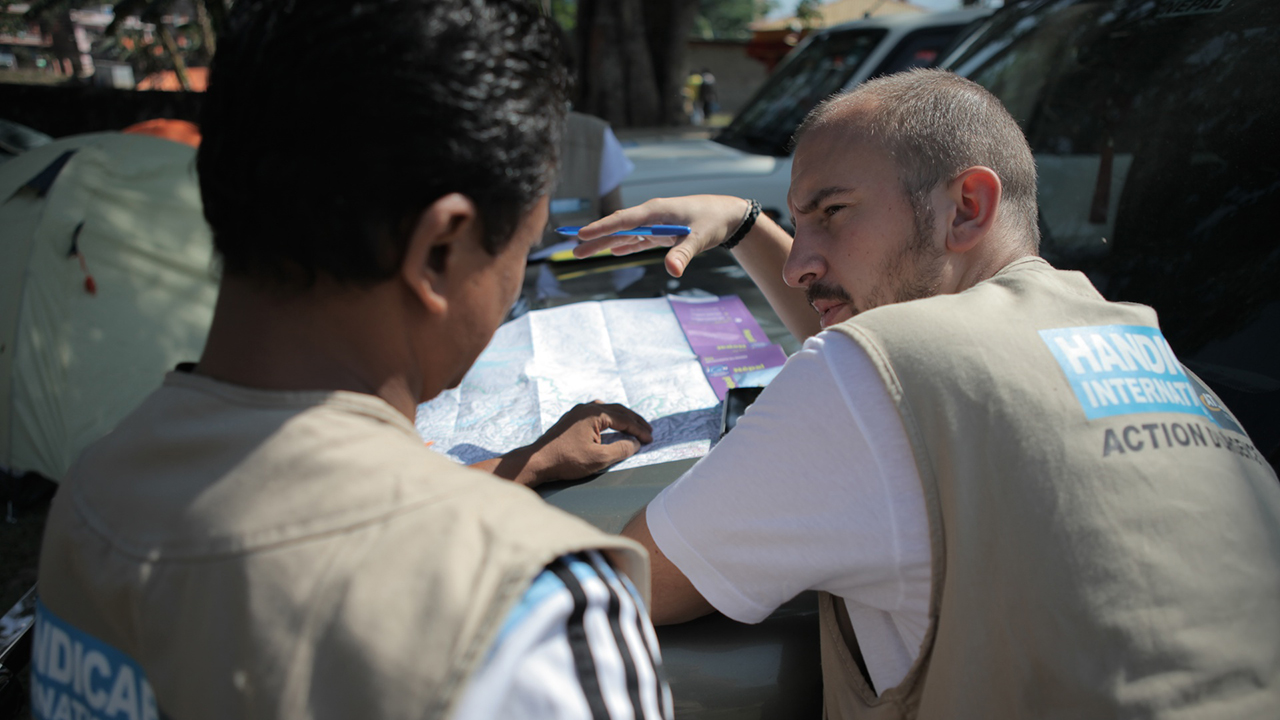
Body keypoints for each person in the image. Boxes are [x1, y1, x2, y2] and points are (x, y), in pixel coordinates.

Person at [573, 69, 1280, 718]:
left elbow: (629, 581)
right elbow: (888, 358)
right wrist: (749, 227)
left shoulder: (869, 380)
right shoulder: (1155, 359)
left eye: (834, 212)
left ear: (967, 208)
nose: (799, 267)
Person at [33, 2, 671, 719]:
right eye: (524, 247)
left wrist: (523, 464)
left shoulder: (89, 497)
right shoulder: (538, 614)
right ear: (441, 250)